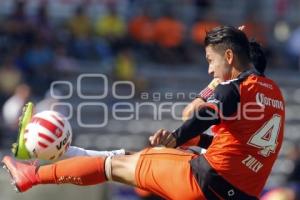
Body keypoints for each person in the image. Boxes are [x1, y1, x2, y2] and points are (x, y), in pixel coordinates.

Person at [2, 26, 285, 200]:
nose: (210, 70)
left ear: (229, 57)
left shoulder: (233, 89)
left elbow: (201, 115)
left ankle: (34, 175)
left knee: (114, 164)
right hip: (239, 195)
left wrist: (177, 137)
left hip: (204, 182)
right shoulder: (275, 95)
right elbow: (242, 147)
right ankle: (53, 159)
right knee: (125, 161)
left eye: (211, 61)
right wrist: (194, 142)